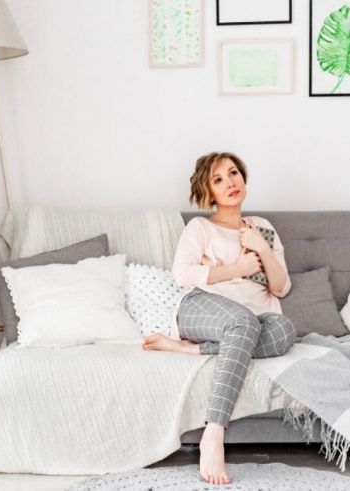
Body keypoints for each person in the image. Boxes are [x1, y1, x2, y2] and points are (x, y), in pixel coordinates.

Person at [142, 152, 295, 485]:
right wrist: (237, 269)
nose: (230, 182)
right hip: (201, 306)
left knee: (284, 331)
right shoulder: (201, 227)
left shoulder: (263, 228)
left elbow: (281, 289)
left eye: (234, 173)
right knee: (243, 323)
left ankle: (189, 350)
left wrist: (262, 249)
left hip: (251, 320)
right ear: (209, 191)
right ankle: (214, 432)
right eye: (219, 179)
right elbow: (182, 274)